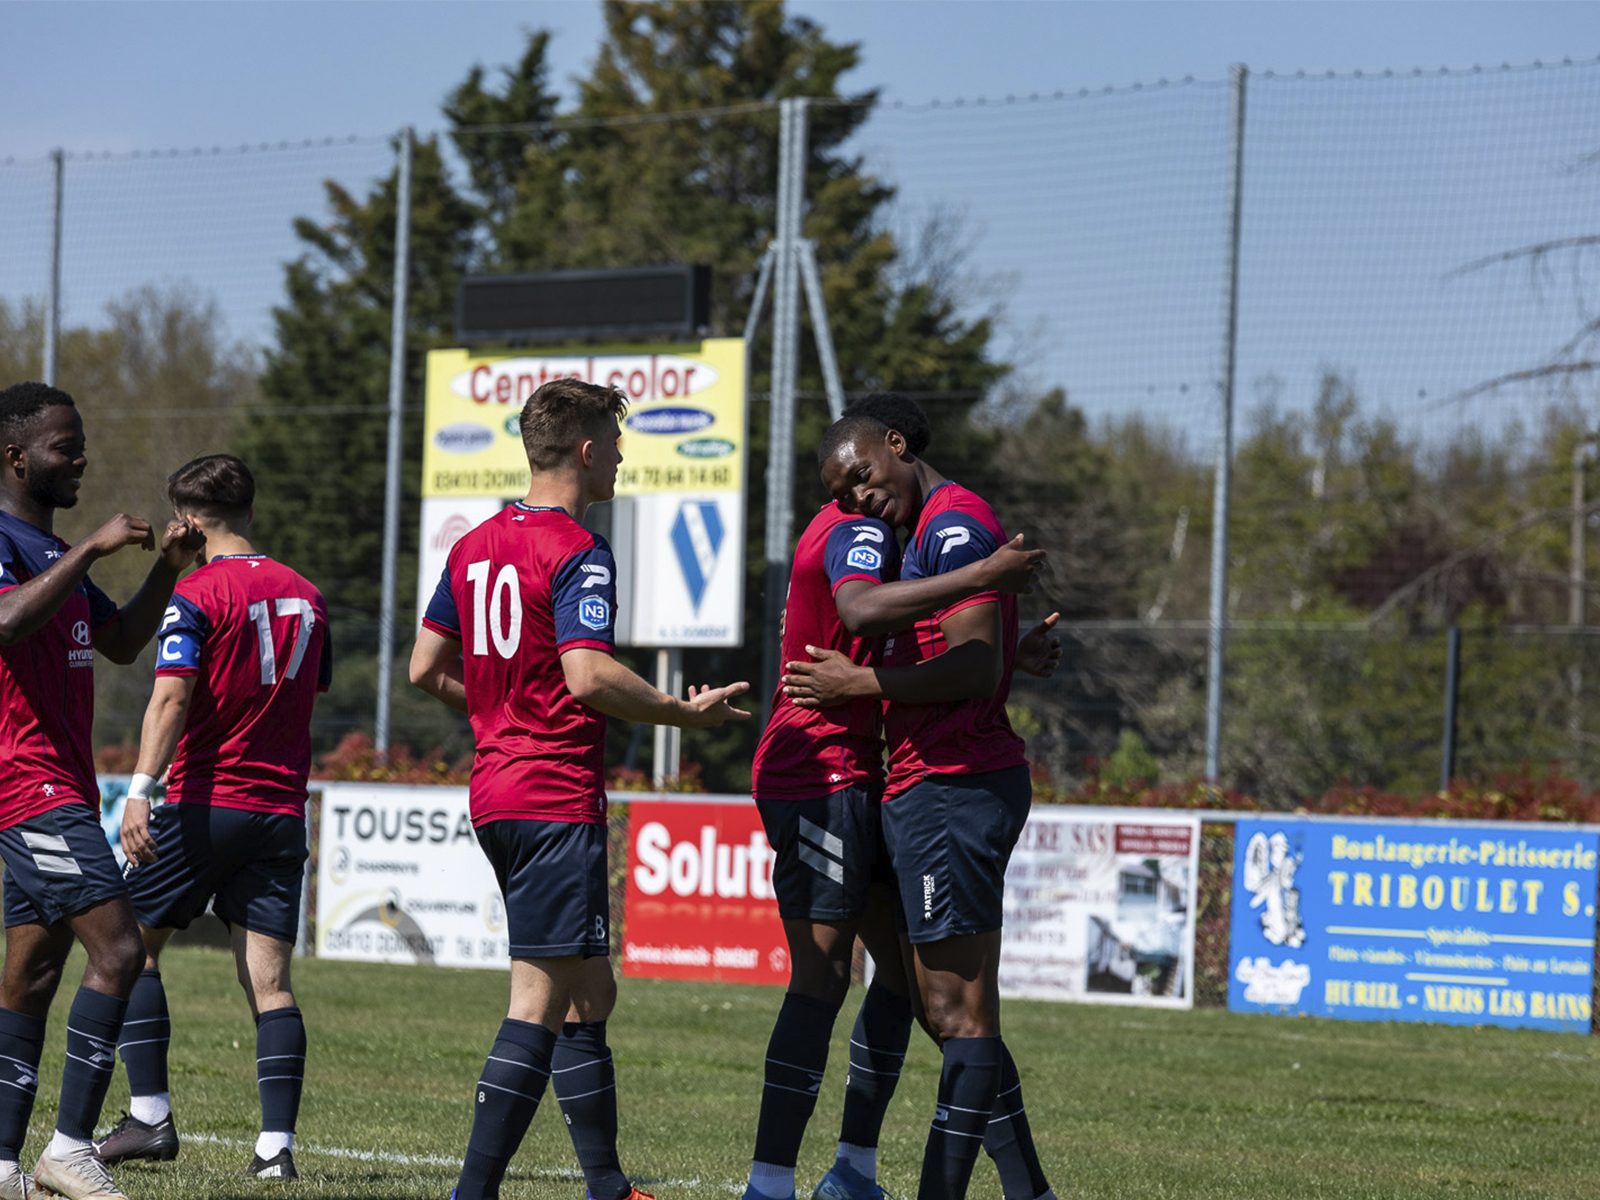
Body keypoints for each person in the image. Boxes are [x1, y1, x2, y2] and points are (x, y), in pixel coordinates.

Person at [409, 377, 750, 1200]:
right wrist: (680, 713)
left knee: (591, 992)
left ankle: (607, 1186)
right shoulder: (577, 549)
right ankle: (473, 1193)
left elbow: (425, 669)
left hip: (498, 789)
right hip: (550, 797)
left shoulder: (473, 543)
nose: (625, 458)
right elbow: (589, 675)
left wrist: (500, 706)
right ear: (590, 450)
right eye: (617, 443)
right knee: (540, 998)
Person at [743, 415, 1059, 1200]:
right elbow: (870, 619)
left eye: (860, 474)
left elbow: (945, 652)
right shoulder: (875, 526)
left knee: (934, 1003)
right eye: (840, 488)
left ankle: (849, 1171)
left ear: (896, 444)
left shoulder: (941, 524)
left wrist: (994, 641)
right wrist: (990, 593)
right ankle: (781, 1182)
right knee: (868, 985)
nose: (856, 496)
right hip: (829, 774)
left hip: (919, 779)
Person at [89, 454, 331, 1182]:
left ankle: (151, 1116)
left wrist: (140, 789)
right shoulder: (309, 596)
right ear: (249, 509)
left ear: (188, 521)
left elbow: (170, 697)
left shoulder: (195, 591)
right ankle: (274, 1150)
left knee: (130, 949)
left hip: (203, 804)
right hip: (280, 810)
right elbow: (306, 691)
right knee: (270, 981)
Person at [0, 381, 204, 1200]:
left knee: (32, 975)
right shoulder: (13, 543)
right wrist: (93, 546)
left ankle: (3, 1166)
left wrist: (165, 570)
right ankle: (72, 1148)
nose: (79, 456)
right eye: (63, 445)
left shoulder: (52, 554)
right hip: (26, 785)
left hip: (62, 786)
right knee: (119, 951)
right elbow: (7, 623)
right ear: (15, 456)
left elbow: (119, 642)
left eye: (80, 442)